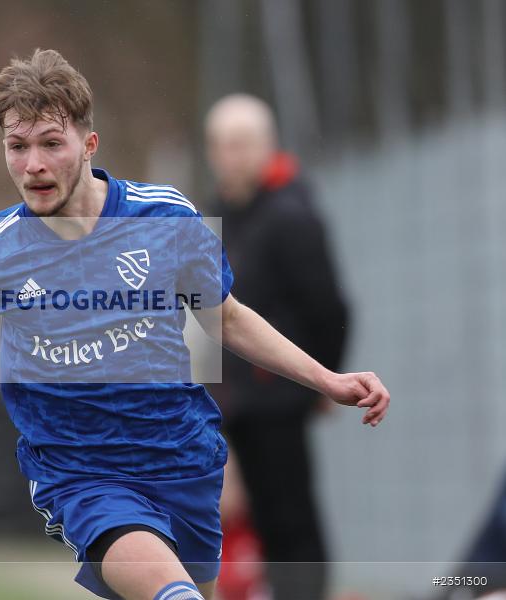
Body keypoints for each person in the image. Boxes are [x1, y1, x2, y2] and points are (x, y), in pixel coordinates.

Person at [0, 49, 389, 600]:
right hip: (81, 471)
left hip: (181, 457)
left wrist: (328, 379)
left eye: (50, 143)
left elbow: (226, 317)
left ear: (89, 145)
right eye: (17, 147)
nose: (32, 164)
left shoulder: (164, 218)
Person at [204, 93, 349, 600]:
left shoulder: (291, 215)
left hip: (279, 398)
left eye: (241, 144)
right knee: (259, 519)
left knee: (292, 522)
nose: (230, 156)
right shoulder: (227, 214)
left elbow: (329, 309)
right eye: (221, 145)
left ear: (267, 146)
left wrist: (320, 384)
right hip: (238, 400)